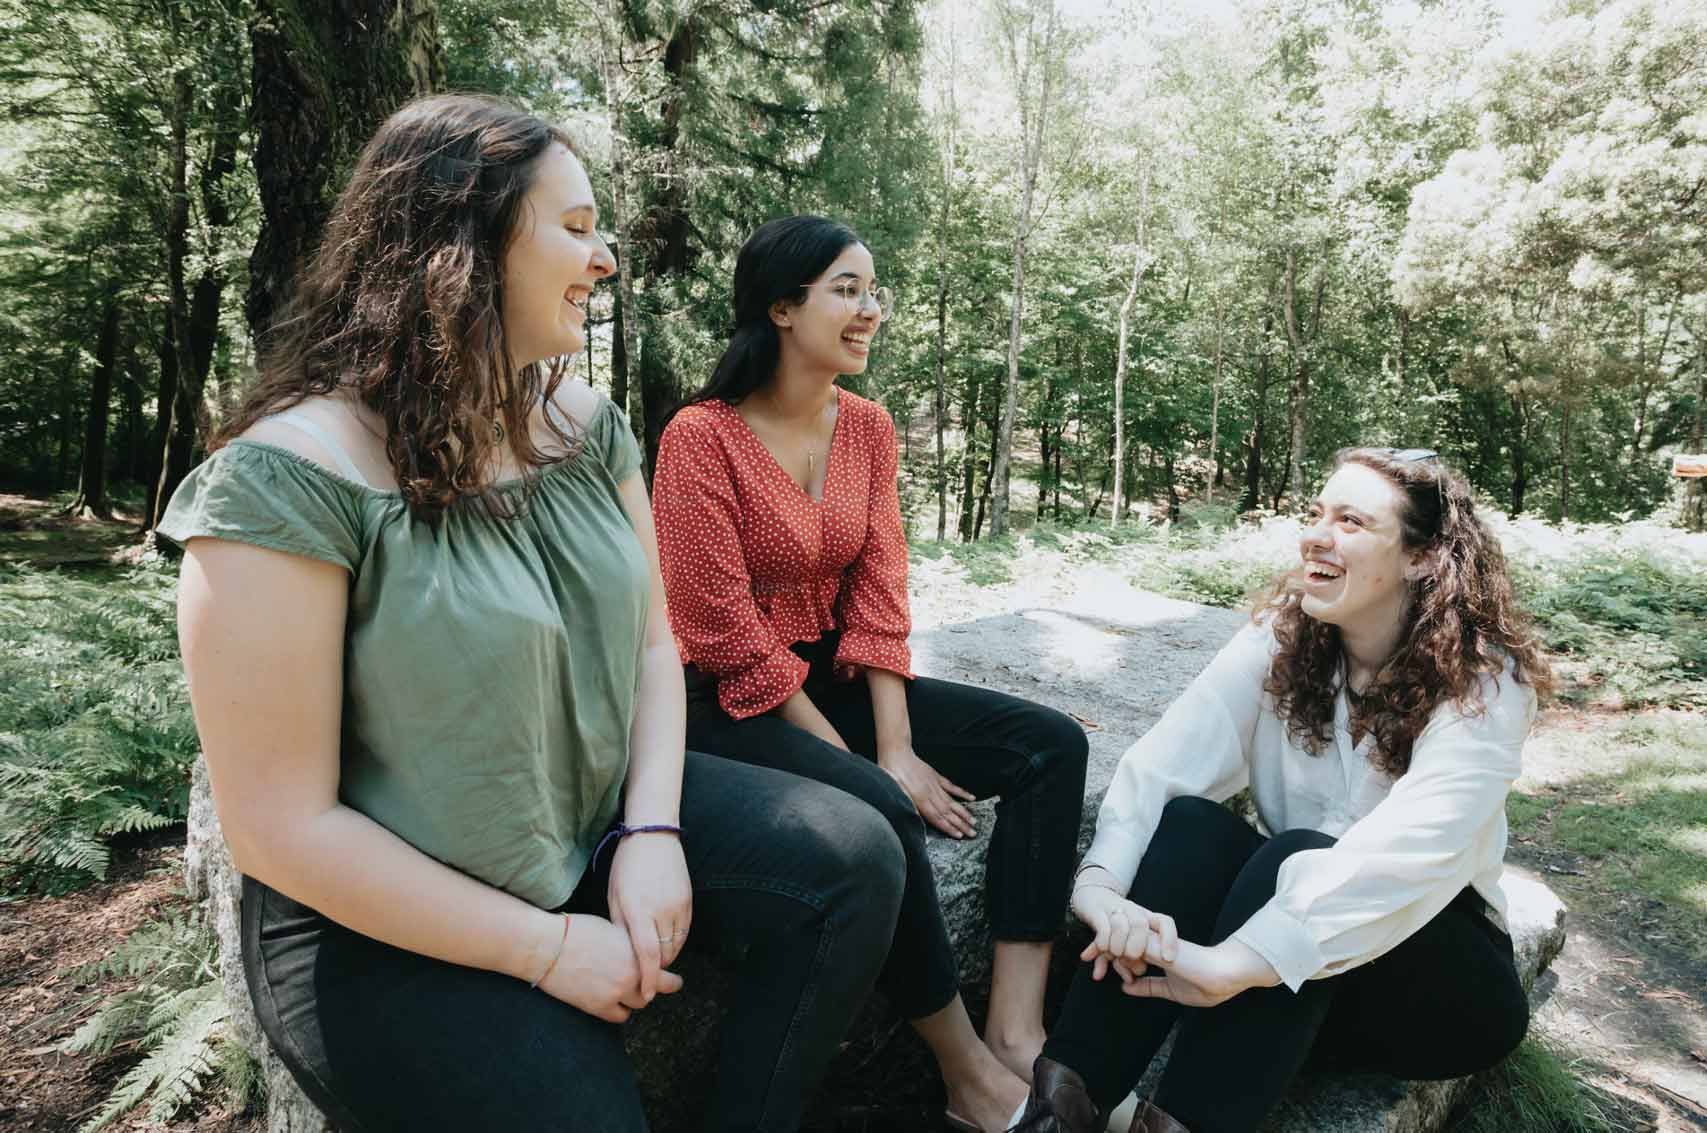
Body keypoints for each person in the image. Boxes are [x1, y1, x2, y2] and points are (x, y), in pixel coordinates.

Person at [160, 94, 908, 1133]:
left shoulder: (584, 424)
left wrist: (651, 826)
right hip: (388, 917)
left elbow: (655, 639)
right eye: (575, 226)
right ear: (458, 244)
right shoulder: (285, 478)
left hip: (592, 816)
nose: (603, 260)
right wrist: (548, 947)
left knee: (857, 854)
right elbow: (282, 826)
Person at [650, 215, 1091, 1133]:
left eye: (872, 291)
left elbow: (881, 587)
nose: (869, 311)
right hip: (721, 701)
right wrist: (870, 766)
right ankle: (963, 1070)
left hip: (838, 673)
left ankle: (1015, 1031)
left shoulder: (867, 428)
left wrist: (895, 737)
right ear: (780, 307)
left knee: (1050, 744)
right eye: (846, 290)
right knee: (881, 808)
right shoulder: (700, 437)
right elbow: (719, 627)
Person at [1011, 448, 1553, 1133]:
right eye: (1315, 513)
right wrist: (1101, 892)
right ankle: (1058, 1110)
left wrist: (1237, 959)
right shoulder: (1283, 638)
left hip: (1435, 981)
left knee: (1296, 858)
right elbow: (1167, 762)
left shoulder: (1483, 682)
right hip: (1294, 975)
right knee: (1193, 829)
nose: (1316, 534)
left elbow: (1411, 852)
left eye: (1350, 520)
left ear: (1421, 558)